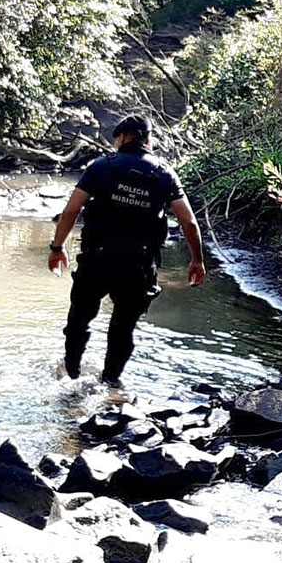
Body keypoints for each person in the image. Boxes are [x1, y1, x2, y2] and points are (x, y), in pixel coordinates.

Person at [48, 114, 206, 383]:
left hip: (96, 260)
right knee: (123, 328)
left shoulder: (100, 167)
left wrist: (57, 247)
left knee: (79, 321)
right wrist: (197, 261)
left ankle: (71, 374)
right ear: (148, 140)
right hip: (138, 265)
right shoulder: (164, 174)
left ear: (121, 138)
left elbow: (71, 211)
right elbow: (188, 222)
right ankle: (110, 382)